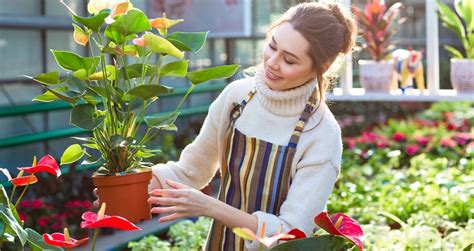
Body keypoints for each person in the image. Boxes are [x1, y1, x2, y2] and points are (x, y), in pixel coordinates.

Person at [147, 2, 357, 250]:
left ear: (320, 68)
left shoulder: (321, 134)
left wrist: (210, 206)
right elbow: (189, 171)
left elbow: (290, 233)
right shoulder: (238, 98)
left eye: (289, 60)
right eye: (272, 46)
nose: (272, 62)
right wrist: (133, 187)